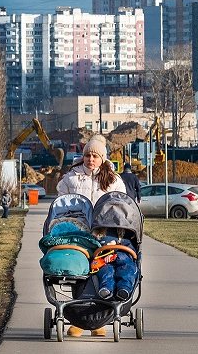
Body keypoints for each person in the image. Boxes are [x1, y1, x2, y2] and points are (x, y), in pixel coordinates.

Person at [56, 134, 126, 337]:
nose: (91, 160)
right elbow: (62, 203)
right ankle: (79, 318)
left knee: (102, 268)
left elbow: (121, 204)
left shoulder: (113, 179)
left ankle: (98, 321)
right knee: (78, 270)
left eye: (95, 156)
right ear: (83, 156)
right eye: (88, 155)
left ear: (102, 158)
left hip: (104, 230)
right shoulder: (71, 177)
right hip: (78, 230)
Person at [92, 227, 138, 301]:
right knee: (107, 272)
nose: (107, 244)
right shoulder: (97, 237)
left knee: (127, 268)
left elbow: (132, 253)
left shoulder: (125, 241)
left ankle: (124, 288)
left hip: (122, 258)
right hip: (104, 261)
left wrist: (116, 254)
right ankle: (106, 289)